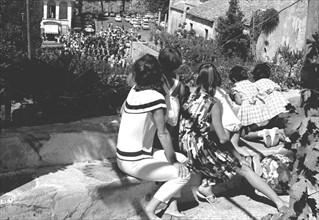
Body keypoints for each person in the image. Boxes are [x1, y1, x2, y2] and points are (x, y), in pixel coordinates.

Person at [178, 62, 289, 211]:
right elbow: (223, 138)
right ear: (217, 80)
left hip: (183, 144)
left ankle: (206, 185)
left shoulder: (188, 93)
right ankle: (279, 203)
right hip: (198, 149)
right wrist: (238, 156)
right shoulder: (213, 103)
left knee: (216, 158)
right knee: (244, 169)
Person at [116, 54, 191, 220]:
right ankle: (150, 210)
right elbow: (163, 133)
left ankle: (172, 207)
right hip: (135, 162)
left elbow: (122, 112)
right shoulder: (156, 98)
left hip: (125, 157)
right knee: (184, 173)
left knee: (183, 160)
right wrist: (172, 161)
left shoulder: (133, 91)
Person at [229, 65, 281, 148]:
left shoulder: (236, 87)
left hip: (251, 116)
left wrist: (234, 96)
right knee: (264, 123)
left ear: (234, 79)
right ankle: (271, 130)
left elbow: (239, 102)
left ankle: (262, 133)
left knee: (243, 134)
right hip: (262, 113)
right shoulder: (252, 84)